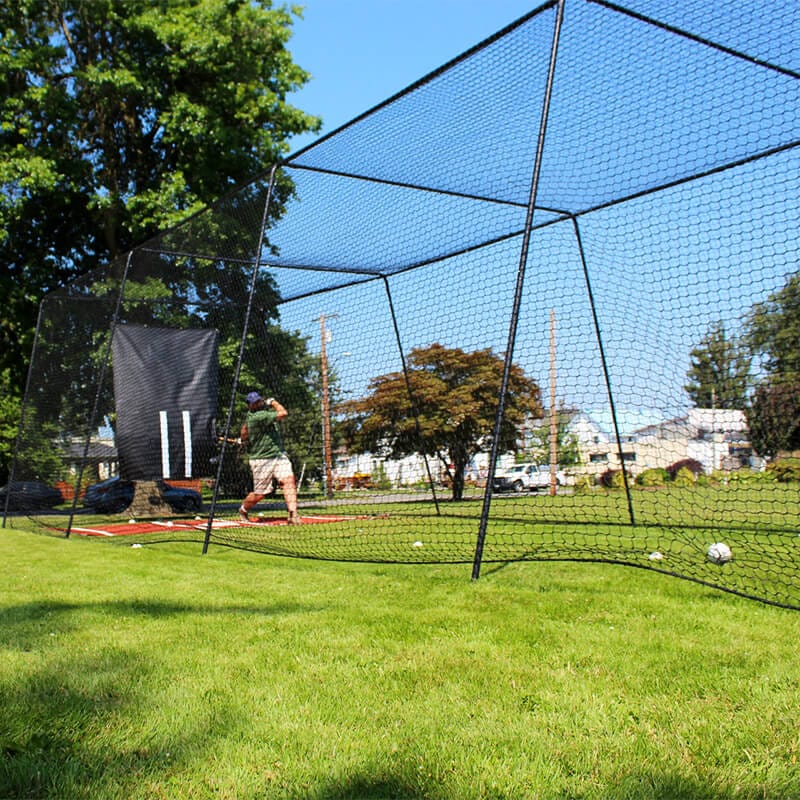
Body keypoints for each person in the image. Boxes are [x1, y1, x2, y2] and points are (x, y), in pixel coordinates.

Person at [238, 391, 301, 524]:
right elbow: (283, 413)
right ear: (249, 405)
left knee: (288, 480)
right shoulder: (258, 416)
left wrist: (243, 439)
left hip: (279, 455)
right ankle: (243, 510)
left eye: (258, 401)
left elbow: (244, 432)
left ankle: (293, 514)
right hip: (262, 459)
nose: (258, 404)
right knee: (260, 493)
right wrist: (273, 401)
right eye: (254, 403)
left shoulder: (251, 417)